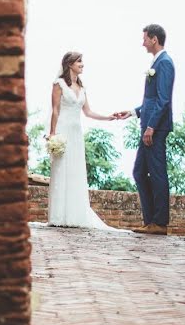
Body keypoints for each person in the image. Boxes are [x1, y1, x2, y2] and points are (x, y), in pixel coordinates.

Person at [115, 24, 175, 235]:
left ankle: (160, 222)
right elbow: (151, 101)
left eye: (145, 39)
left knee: (157, 173)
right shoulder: (157, 62)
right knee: (140, 172)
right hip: (148, 124)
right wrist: (132, 112)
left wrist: (151, 126)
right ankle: (150, 221)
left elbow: (163, 100)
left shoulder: (165, 63)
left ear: (154, 39)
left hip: (155, 128)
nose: (142, 43)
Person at [47, 51, 118, 229]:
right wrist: (52, 134)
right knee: (62, 170)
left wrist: (107, 117)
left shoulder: (82, 87)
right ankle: (58, 216)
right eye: (79, 61)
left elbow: (88, 112)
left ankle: (74, 215)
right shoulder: (59, 84)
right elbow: (55, 110)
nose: (82, 64)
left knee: (75, 171)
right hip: (63, 130)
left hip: (77, 133)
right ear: (70, 64)